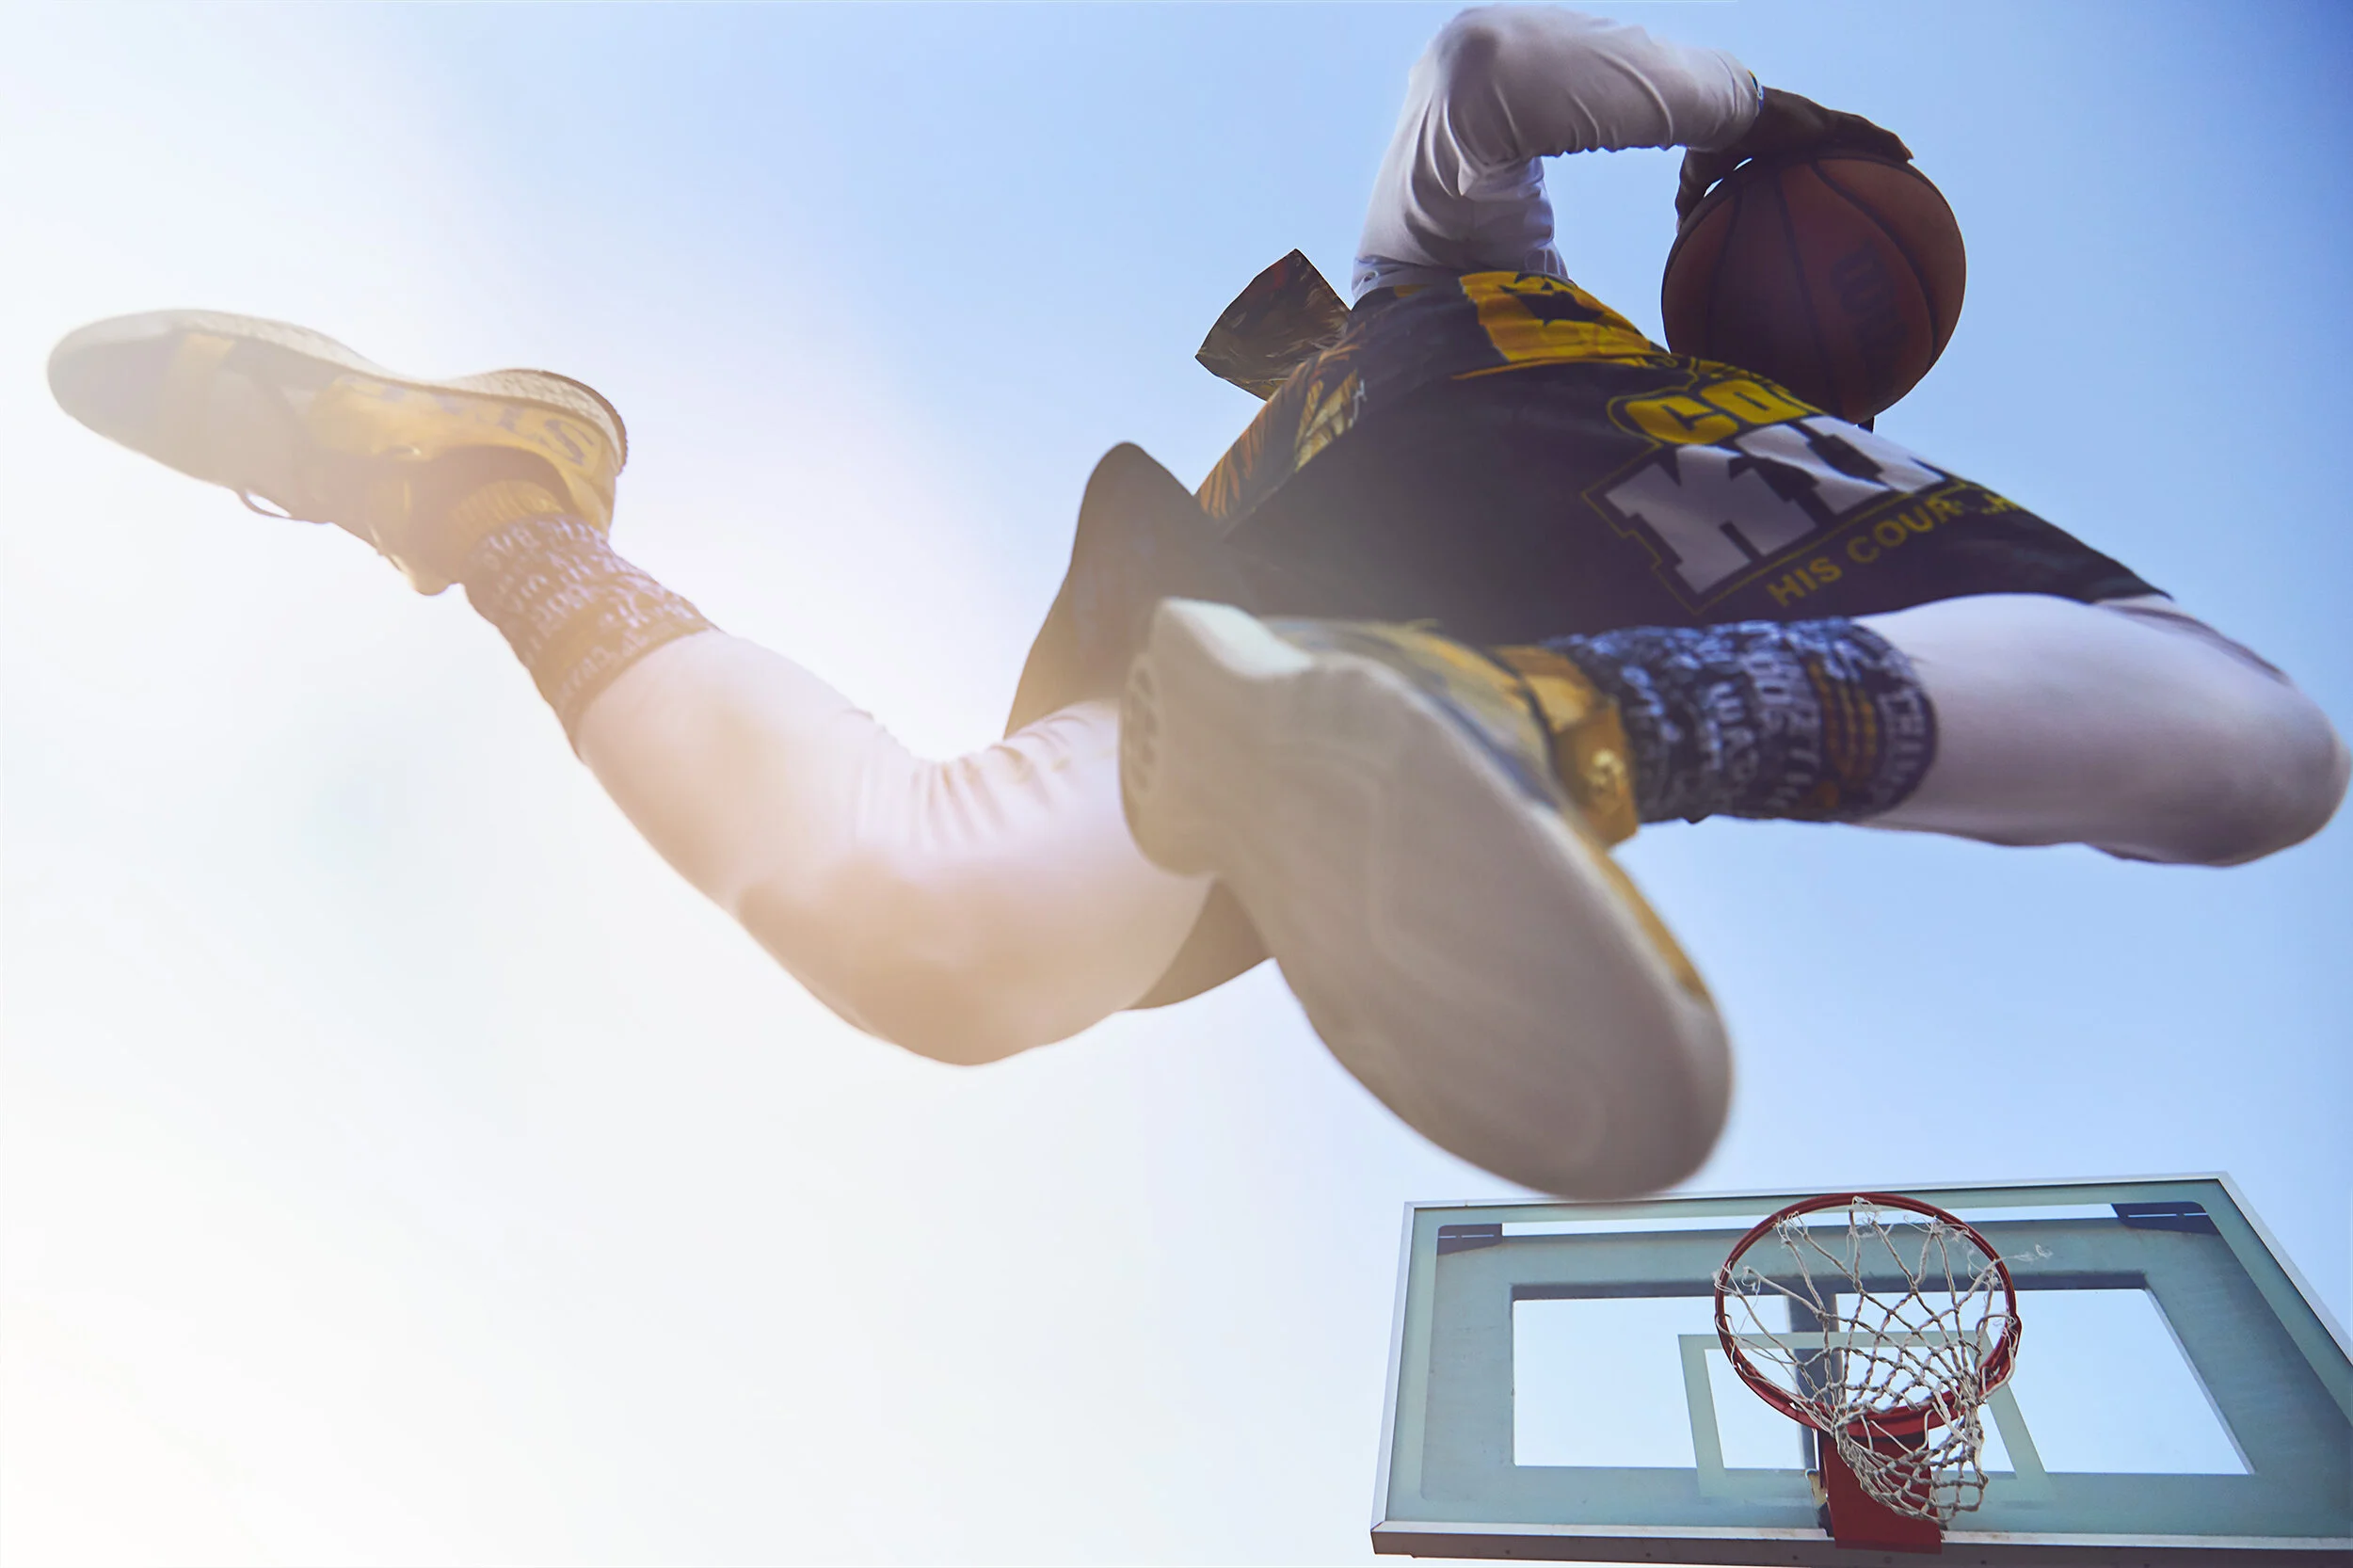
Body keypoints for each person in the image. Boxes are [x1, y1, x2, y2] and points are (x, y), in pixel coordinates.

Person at [48, 7, 2347, 1198]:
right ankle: (490, 495)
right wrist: (1768, 112)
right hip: (1256, 651)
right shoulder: (1460, 283)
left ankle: (487, 496)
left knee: (929, 942)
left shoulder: (1838, 453)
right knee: (2250, 734)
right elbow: (1478, 62)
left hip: (1368, 701)